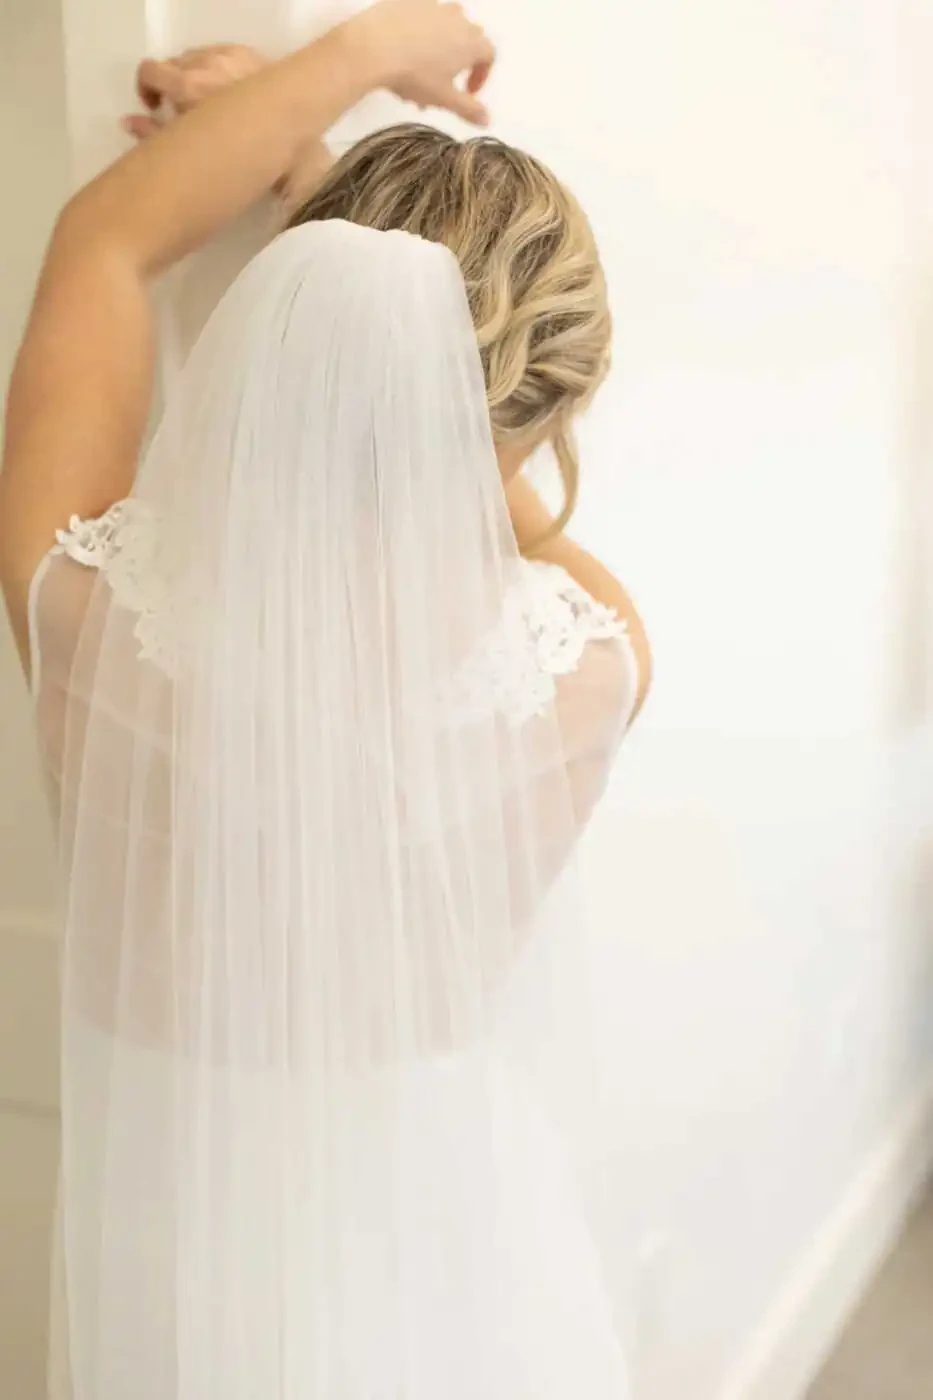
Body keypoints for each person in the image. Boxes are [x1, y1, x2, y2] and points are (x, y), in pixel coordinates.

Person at [0, 5, 650, 1398]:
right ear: (552, 403)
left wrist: (357, 56)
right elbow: (485, 482)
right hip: (455, 1241)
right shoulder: (593, 659)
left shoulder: (84, 605)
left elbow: (103, 243)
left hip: (179, 1251)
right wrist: (379, 298)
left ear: (278, 319)